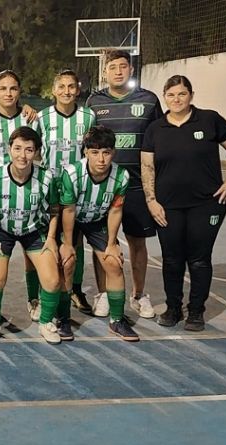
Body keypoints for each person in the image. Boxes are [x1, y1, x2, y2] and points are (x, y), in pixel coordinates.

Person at [141, 75, 226, 331]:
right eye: (171, 95)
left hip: (207, 204)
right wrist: (151, 201)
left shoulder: (209, 120)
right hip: (168, 206)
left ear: (191, 95)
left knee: (199, 259)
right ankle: (173, 308)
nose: (176, 99)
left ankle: (196, 311)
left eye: (181, 94)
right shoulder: (155, 129)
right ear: (164, 97)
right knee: (172, 259)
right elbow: (147, 167)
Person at [86, 49, 163, 320]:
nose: (118, 71)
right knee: (100, 243)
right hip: (102, 185)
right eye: (113, 67)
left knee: (136, 242)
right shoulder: (94, 102)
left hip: (137, 185)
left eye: (123, 66)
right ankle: (104, 293)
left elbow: (159, 140)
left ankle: (139, 294)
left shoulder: (149, 100)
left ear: (131, 70)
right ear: (105, 72)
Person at [0, 127, 62, 345]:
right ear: (9, 149)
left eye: (28, 150)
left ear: (36, 152)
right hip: (2, 231)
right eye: (17, 148)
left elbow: (55, 209)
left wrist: (52, 238)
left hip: (34, 231)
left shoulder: (46, 177)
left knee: (53, 281)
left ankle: (46, 322)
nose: (22, 155)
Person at [0, 70, 43, 322]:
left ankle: (33, 298)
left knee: (30, 250)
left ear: (19, 92)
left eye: (13, 89)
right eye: (3, 89)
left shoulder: (31, 118)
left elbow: (37, 153)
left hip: (27, 191)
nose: (8, 93)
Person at [60, 126, 138, 342]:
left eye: (106, 152)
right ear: (85, 152)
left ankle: (116, 320)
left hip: (96, 222)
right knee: (66, 262)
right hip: (73, 220)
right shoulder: (72, 173)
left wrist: (112, 243)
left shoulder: (121, 176)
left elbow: (115, 209)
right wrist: (67, 243)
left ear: (113, 152)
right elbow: (68, 210)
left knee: (113, 262)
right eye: (95, 152)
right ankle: (63, 318)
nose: (101, 159)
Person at [36, 69, 97, 318]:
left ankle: (75, 288)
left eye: (71, 86)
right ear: (53, 90)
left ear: (78, 89)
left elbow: (91, 151)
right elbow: (34, 147)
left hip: (78, 188)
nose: (66, 91)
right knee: (47, 240)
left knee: (75, 241)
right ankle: (45, 290)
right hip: (50, 189)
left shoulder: (88, 116)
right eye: (61, 87)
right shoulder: (42, 117)